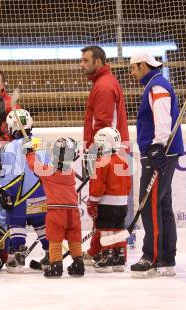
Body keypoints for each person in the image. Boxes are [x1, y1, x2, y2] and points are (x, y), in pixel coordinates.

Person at [129, 51, 184, 277]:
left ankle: (150, 256)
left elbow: (163, 118)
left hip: (159, 152)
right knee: (162, 205)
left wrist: (157, 145)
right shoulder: (155, 83)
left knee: (150, 204)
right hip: (162, 152)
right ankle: (166, 258)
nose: (132, 73)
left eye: (133, 67)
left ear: (142, 65)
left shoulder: (157, 86)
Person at [80, 45, 130, 265]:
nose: (81, 64)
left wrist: (93, 154)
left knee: (104, 210)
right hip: (114, 153)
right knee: (111, 213)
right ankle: (104, 251)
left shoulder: (103, 86)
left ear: (97, 61)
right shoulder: (104, 83)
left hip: (106, 154)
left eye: (85, 60)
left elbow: (102, 126)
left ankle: (105, 252)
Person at [0, 109, 49, 273]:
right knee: (42, 226)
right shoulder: (40, 143)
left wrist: (5, 191)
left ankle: (17, 258)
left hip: (19, 196)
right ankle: (50, 256)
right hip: (40, 193)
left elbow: (11, 173)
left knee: (16, 224)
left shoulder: (10, 147)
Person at [25, 137, 84, 278]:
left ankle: (56, 265)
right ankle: (78, 264)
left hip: (56, 211)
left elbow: (34, 165)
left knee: (55, 238)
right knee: (74, 236)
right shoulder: (70, 173)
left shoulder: (49, 172)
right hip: (73, 211)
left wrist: (29, 152)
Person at [87, 127, 131, 273]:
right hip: (122, 204)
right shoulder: (124, 160)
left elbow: (98, 185)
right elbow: (128, 185)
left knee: (106, 230)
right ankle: (120, 259)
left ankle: (107, 258)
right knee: (119, 229)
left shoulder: (102, 161)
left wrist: (92, 201)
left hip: (107, 203)